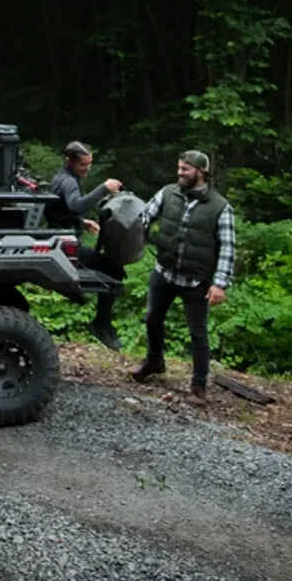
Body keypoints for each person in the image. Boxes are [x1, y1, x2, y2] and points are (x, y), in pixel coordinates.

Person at [130, 150, 235, 408]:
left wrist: (220, 283)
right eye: (179, 168)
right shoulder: (168, 193)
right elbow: (144, 216)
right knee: (153, 318)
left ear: (200, 172)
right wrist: (127, 229)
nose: (179, 173)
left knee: (198, 333)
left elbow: (228, 247)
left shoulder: (221, 207)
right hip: (164, 271)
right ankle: (154, 361)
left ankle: (198, 387)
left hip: (196, 281)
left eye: (185, 169)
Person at [49, 141, 125, 350]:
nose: (87, 168)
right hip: (64, 247)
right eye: (83, 165)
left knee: (111, 267)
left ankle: (101, 322)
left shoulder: (61, 178)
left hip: (61, 239)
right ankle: (101, 324)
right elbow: (76, 204)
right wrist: (104, 189)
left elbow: (58, 210)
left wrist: (81, 222)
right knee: (115, 269)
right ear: (69, 161)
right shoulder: (68, 182)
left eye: (90, 164)